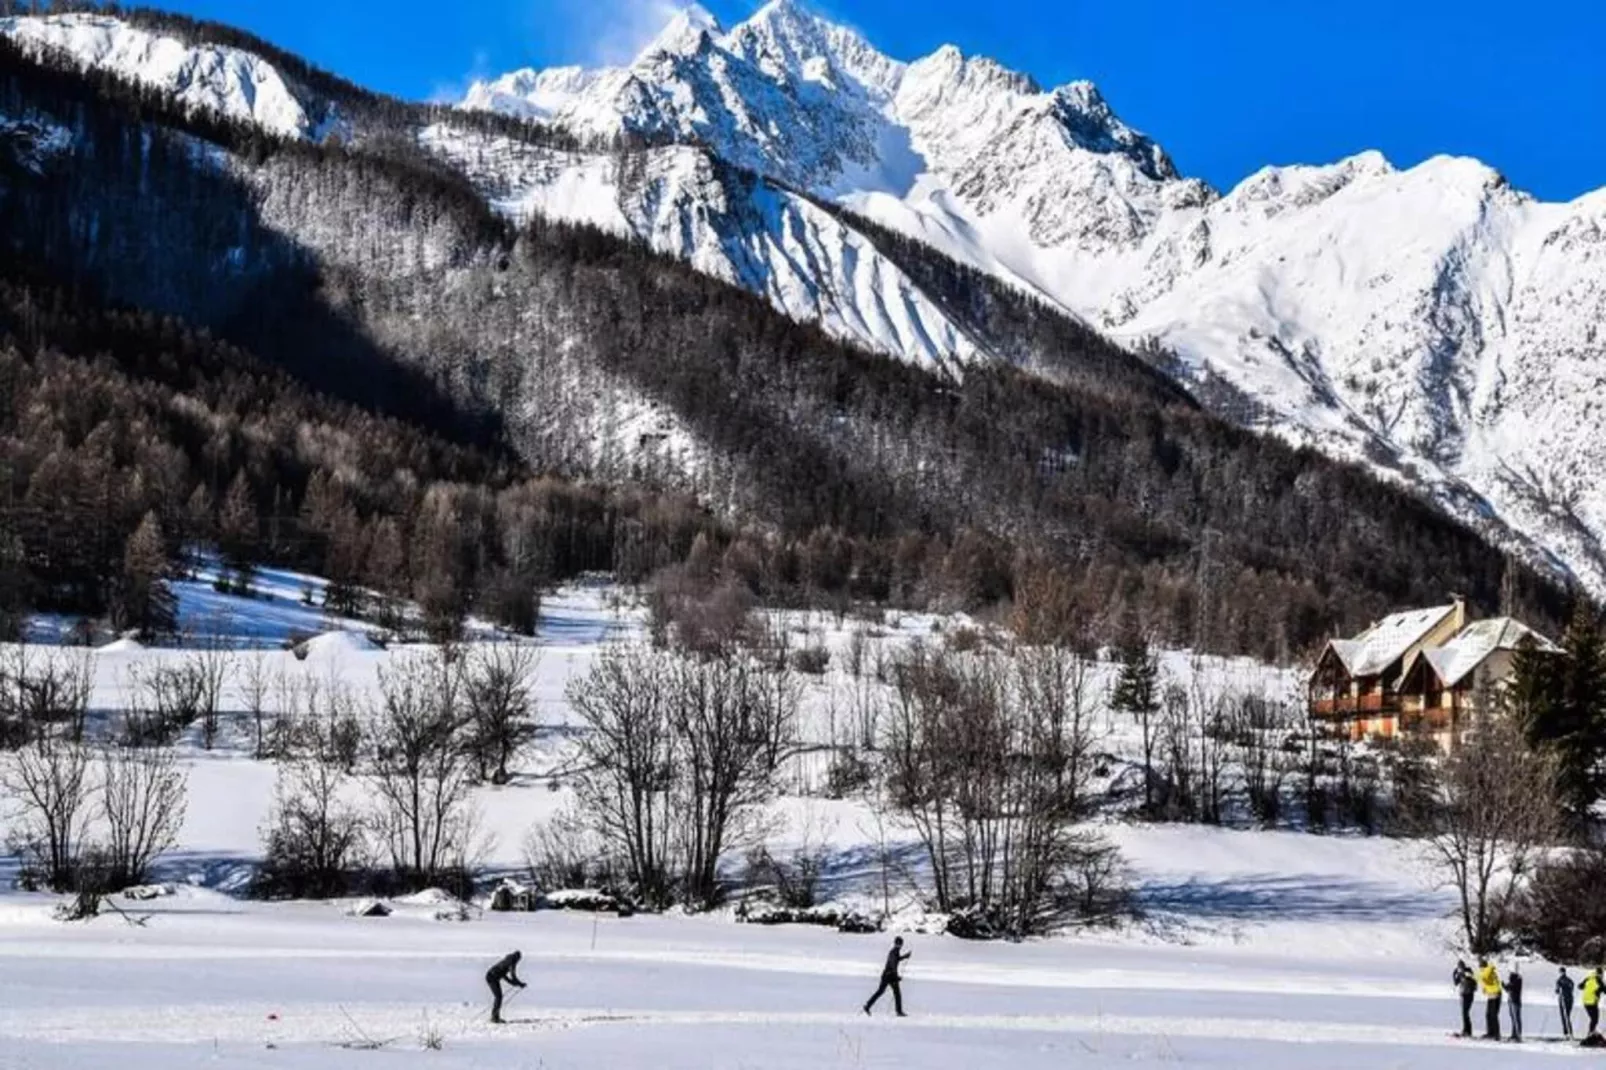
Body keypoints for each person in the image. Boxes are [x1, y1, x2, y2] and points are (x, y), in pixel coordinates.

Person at [863, 936, 912, 1017]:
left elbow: (896, 960)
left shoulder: (895, 951)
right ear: (898, 944)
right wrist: (896, 977)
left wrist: (905, 956)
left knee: (880, 992)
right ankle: (898, 1011)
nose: (901, 946)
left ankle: (867, 1006)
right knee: (896, 993)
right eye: (900, 944)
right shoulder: (894, 952)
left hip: (886, 975)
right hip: (890, 976)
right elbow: (893, 965)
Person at [486, 950, 526, 1025]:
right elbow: (513, 976)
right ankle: (494, 1017)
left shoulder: (507, 960)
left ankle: (495, 1016)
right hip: (491, 978)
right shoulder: (512, 962)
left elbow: (504, 975)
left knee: (499, 997)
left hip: (492, 976)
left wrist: (515, 983)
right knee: (498, 997)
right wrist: (519, 984)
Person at [1477, 957, 1502, 1040]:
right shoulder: (1486, 972)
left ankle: (1496, 1034)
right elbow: (1486, 981)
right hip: (1491, 995)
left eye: (1480, 967)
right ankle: (1490, 1032)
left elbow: (1483, 978)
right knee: (1488, 1015)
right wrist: (1485, 989)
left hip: (1495, 995)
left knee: (1493, 1015)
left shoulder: (1488, 970)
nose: (1480, 969)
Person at [1453, 959, 1476, 1037]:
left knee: (1465, 1013)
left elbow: (1472, 980)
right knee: (1464, 1014)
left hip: (1468, 995)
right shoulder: (1460, 974)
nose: (1460, 969)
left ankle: (1468, 1031)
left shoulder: (1468, 972)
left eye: (1461, 967)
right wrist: (1454, 974)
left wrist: (1464, 975)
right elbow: (1456, 983)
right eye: (1459, 967)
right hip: (1463, 994)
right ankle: (1466, 1030)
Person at [1584, 966, 1604, 1036]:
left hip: (1585, 1002)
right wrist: (1598, 990)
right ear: (1600, 974)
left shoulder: (1588, 978)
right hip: (1593, 1002)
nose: (1602, 976)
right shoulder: (1599, 981)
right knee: (1595, 1019)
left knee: (1593, 1019)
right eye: (1602, 974)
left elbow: (1580, 986)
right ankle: (1591, 1033)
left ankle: (1592, 1031)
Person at [1558, 967, 1576, 1039]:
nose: (1561, 973)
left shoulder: (1567, 980)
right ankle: (1566, 1033)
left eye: (1562, 971)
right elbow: (1557, 990)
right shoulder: (1559, 980)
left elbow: (1571, 988)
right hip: (1562, 1000)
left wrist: (1563, 989)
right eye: (1560, 972)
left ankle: (1569, 1032)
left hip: (1567, 999)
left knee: (1566, 1016)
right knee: (1564, 1017)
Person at [1506, 965, 1523, 1042]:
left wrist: (1507, 986)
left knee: (1516, 1018)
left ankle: (1518, 1035)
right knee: (1513, 1018)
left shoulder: (1517, 981)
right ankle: (1514, 1034)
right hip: (1511, 1001)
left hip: (1515, 1001)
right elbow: (1509, 989)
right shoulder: (1513, 981)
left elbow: (1512, 988)